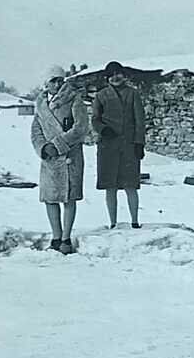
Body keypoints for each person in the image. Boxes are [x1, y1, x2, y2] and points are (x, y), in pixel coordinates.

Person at [31, 75, 88, 254]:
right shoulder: (40, 103)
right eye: (53, 80)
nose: (57, 84)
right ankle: (56, 237)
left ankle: (66, 238)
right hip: (50, 158)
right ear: (45, 83)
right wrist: (44, 147)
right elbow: (36, 129)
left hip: (69, 155)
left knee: (69, 197)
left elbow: (81, 128)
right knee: (50, 198)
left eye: (60, 80)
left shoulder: (74, 100)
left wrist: (58, 145)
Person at [91, 61, 145, 228]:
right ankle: (113, 222)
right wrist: (103, 129)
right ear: (107, 78)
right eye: (111, 75)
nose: (115, 77)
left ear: (124, 75)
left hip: (129, 145)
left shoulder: (133, 94)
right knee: (110, 186)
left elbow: (140, 120)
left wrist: (139, 143)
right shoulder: (101, 96)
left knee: (131, 185)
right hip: (108, 146)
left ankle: (134, 221)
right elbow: (95, 119)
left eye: (118, 73)